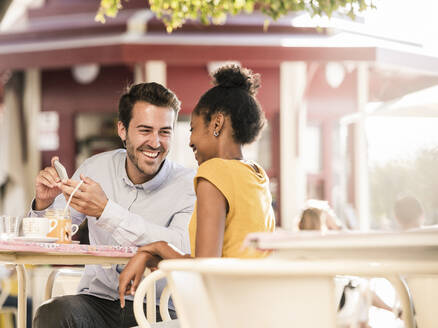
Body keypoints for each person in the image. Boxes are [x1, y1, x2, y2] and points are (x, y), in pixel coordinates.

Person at [31, 82, 196, 328]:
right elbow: (52, 238)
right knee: (52, 313)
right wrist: (44, 204)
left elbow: (180, 246)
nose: (155, 142)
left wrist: (107, 211)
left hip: (161, 306)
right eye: (145, 130)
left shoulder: (189, 185)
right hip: (97, 300)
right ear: (122, 129)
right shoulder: (94, 168)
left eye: (164, 132)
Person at [119, 65, 276, 307]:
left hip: (224, 312)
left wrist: (157, 247)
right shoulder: (256, 175)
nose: (190, 140)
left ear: (217, 123)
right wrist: (153, 252)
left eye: (192, 128)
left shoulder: (213, 172)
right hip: (258, 305)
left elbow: (204, 267)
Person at [297, 199, 396, 328]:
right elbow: (355, 250)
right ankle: (394, 312)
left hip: (305, 302)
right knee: (361, 287)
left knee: (360, 287)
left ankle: (392, 312)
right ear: (323, 222)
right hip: (332, 302)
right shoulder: (328, 246)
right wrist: (338, 227)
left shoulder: (296, 245)